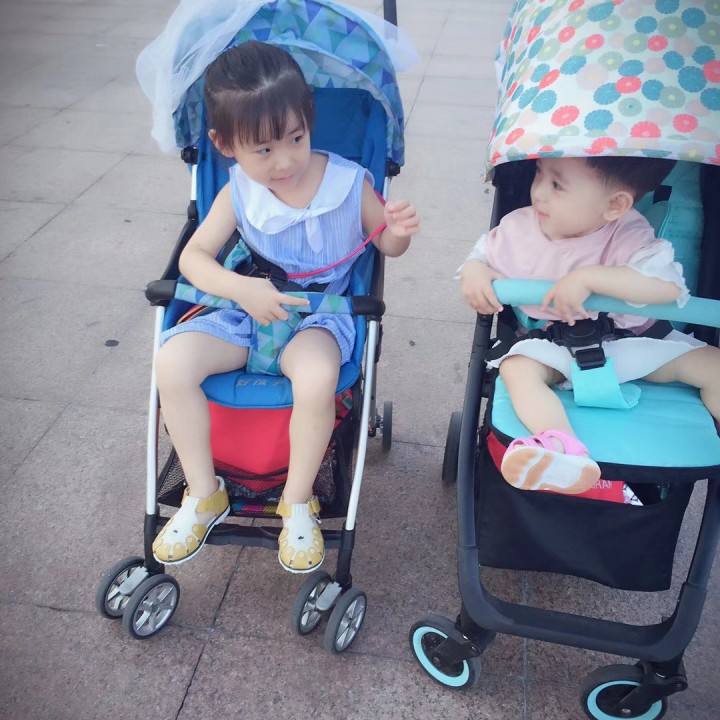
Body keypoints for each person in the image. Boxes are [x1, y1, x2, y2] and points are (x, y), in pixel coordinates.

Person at [152, 41, 419, 572]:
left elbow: (385, 245)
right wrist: (240, 288)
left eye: (296, 138)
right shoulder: (237, 193)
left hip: (320, 316)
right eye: (264, 150)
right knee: (171, 363)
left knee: (316, 377)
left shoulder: (347, 184)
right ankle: (203, 491)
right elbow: (193, 259)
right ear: (224, 145)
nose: (286, 161)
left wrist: (399, 230)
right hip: (245, 310)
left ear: (309, 120)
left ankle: (298, 500)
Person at [460, 155, 720, 494]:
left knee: (714, 365)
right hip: (555, 345)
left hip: (633, 343)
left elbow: (665, 286)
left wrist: (590, 278)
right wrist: (475, 272)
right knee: (517, 368)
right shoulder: (519, 229)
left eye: (557, 185)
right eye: (539, 174)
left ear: (614, 205)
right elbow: (481, 255)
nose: (538, 192)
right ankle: (561, 448)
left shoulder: (630, 233)